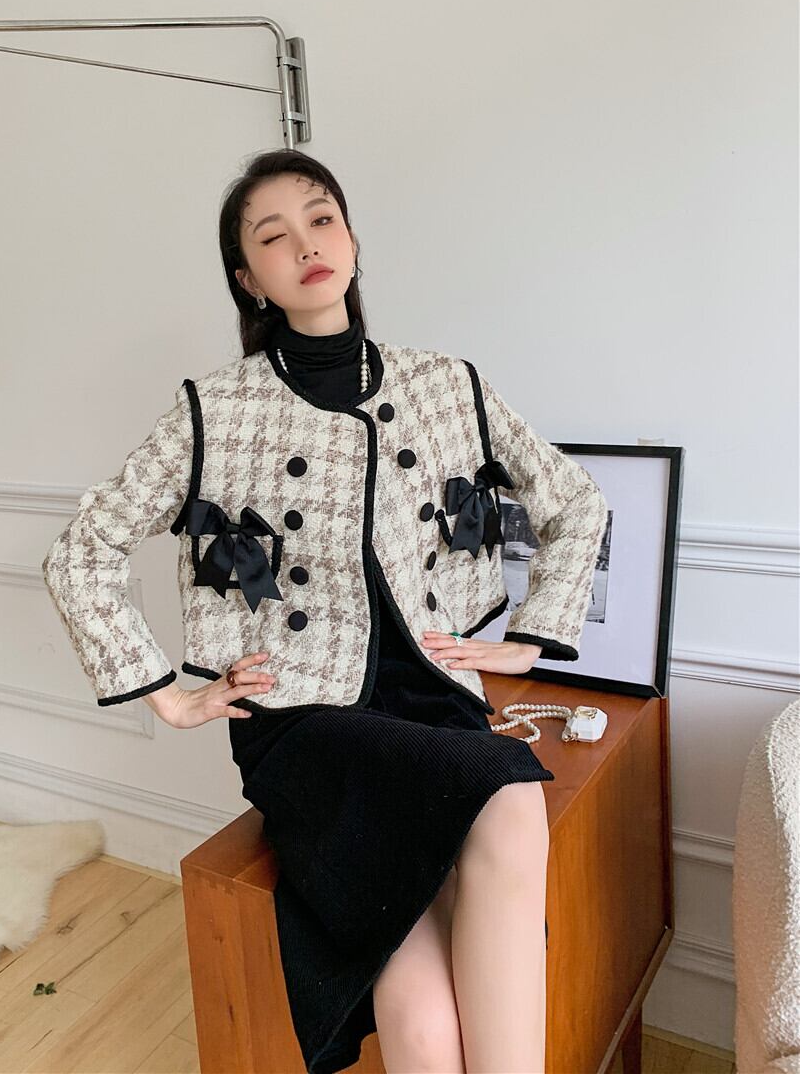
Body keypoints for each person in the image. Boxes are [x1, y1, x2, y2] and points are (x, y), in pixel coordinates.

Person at [43, 148, 608, 1074]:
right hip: (304, 717)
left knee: (422, 1020)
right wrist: (166, 695)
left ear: (350, 238)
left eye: (321, 218)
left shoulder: (444, 385)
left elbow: (575, 502)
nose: (305, 245)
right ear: (247, 278)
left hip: (432, 696)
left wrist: (533, 636)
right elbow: (83, 549)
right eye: (272, 236)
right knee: (509, 798)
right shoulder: (213, 411)